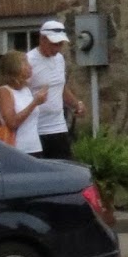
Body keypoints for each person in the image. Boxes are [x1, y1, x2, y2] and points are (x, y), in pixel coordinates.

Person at [27, 19, 85, 160]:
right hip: (36, 128)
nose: (57, 48)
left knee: (64, 166)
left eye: (60, 44)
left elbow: (60, 87)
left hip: (58, 126)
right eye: (54, 44)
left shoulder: (59, 59)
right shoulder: (29, 60)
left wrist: (76, 104)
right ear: (42, 39)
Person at [0, 50, 47, 157]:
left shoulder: (26, 89)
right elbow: (12, 123)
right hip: (17, 149)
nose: (29, 67)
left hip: (34, 147)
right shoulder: (5, 91)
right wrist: (34, 103)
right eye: (24, 63)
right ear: (14, 67)